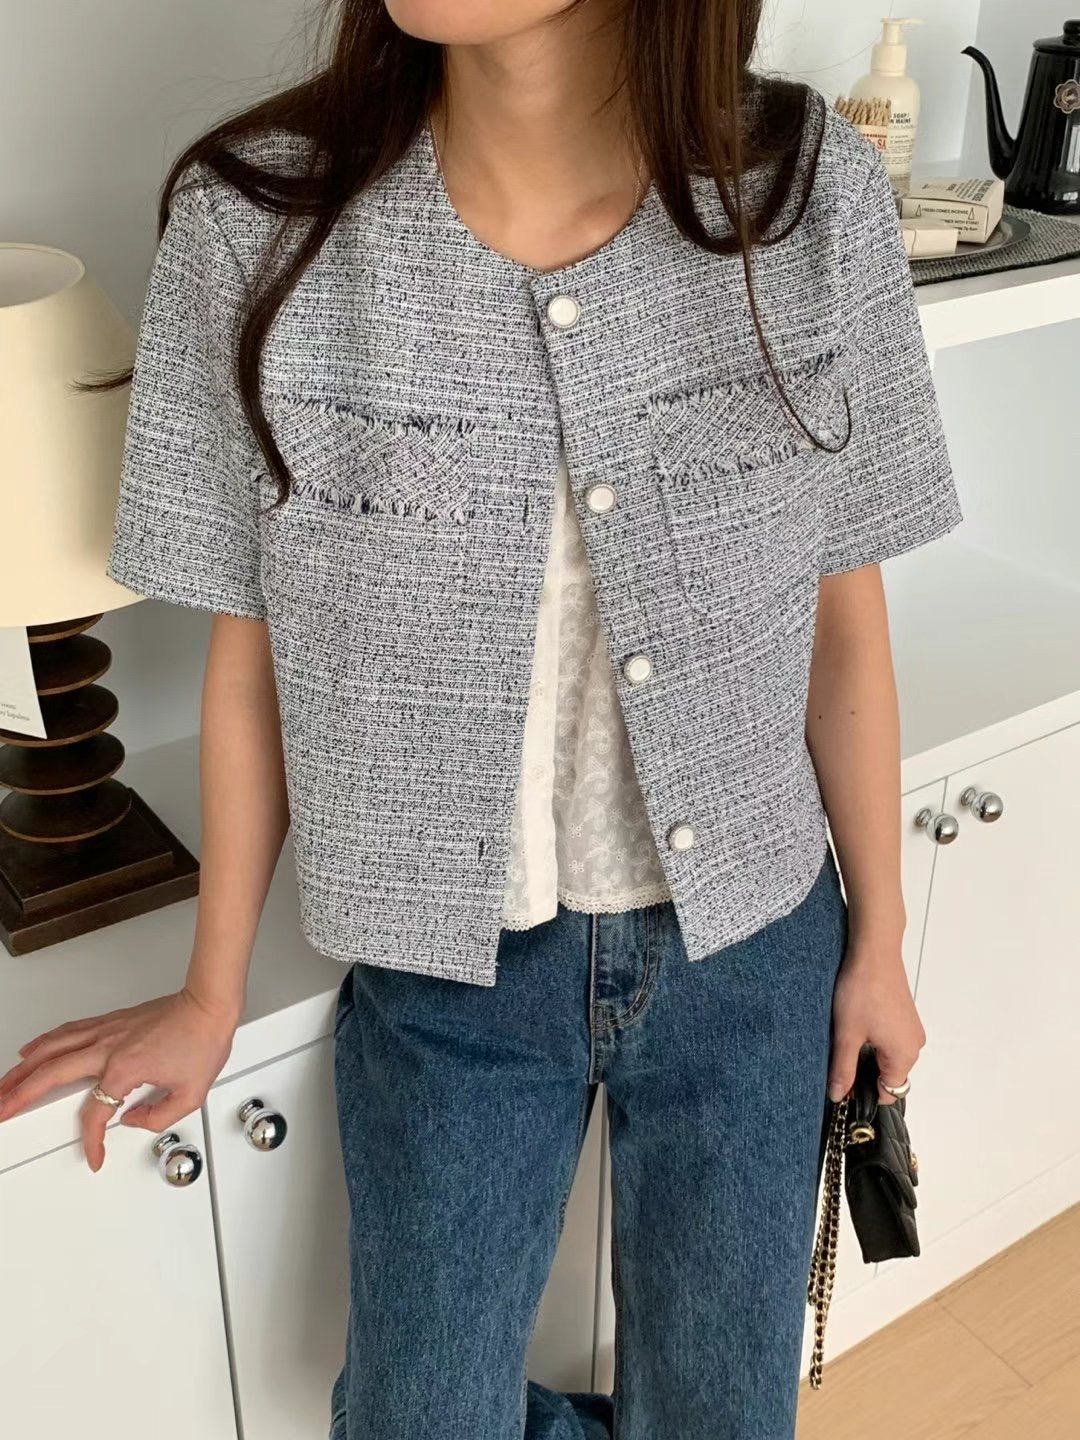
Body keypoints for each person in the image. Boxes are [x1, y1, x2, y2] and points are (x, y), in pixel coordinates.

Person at [0, 2, 963, 1436]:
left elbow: (841, 610)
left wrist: (878, 940)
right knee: (418, 1415)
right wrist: (210, 992)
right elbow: (253, 650)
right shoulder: (258, 225)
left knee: (725, 1410)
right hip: (448, 980)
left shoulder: (803, 190)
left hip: (755, 951)